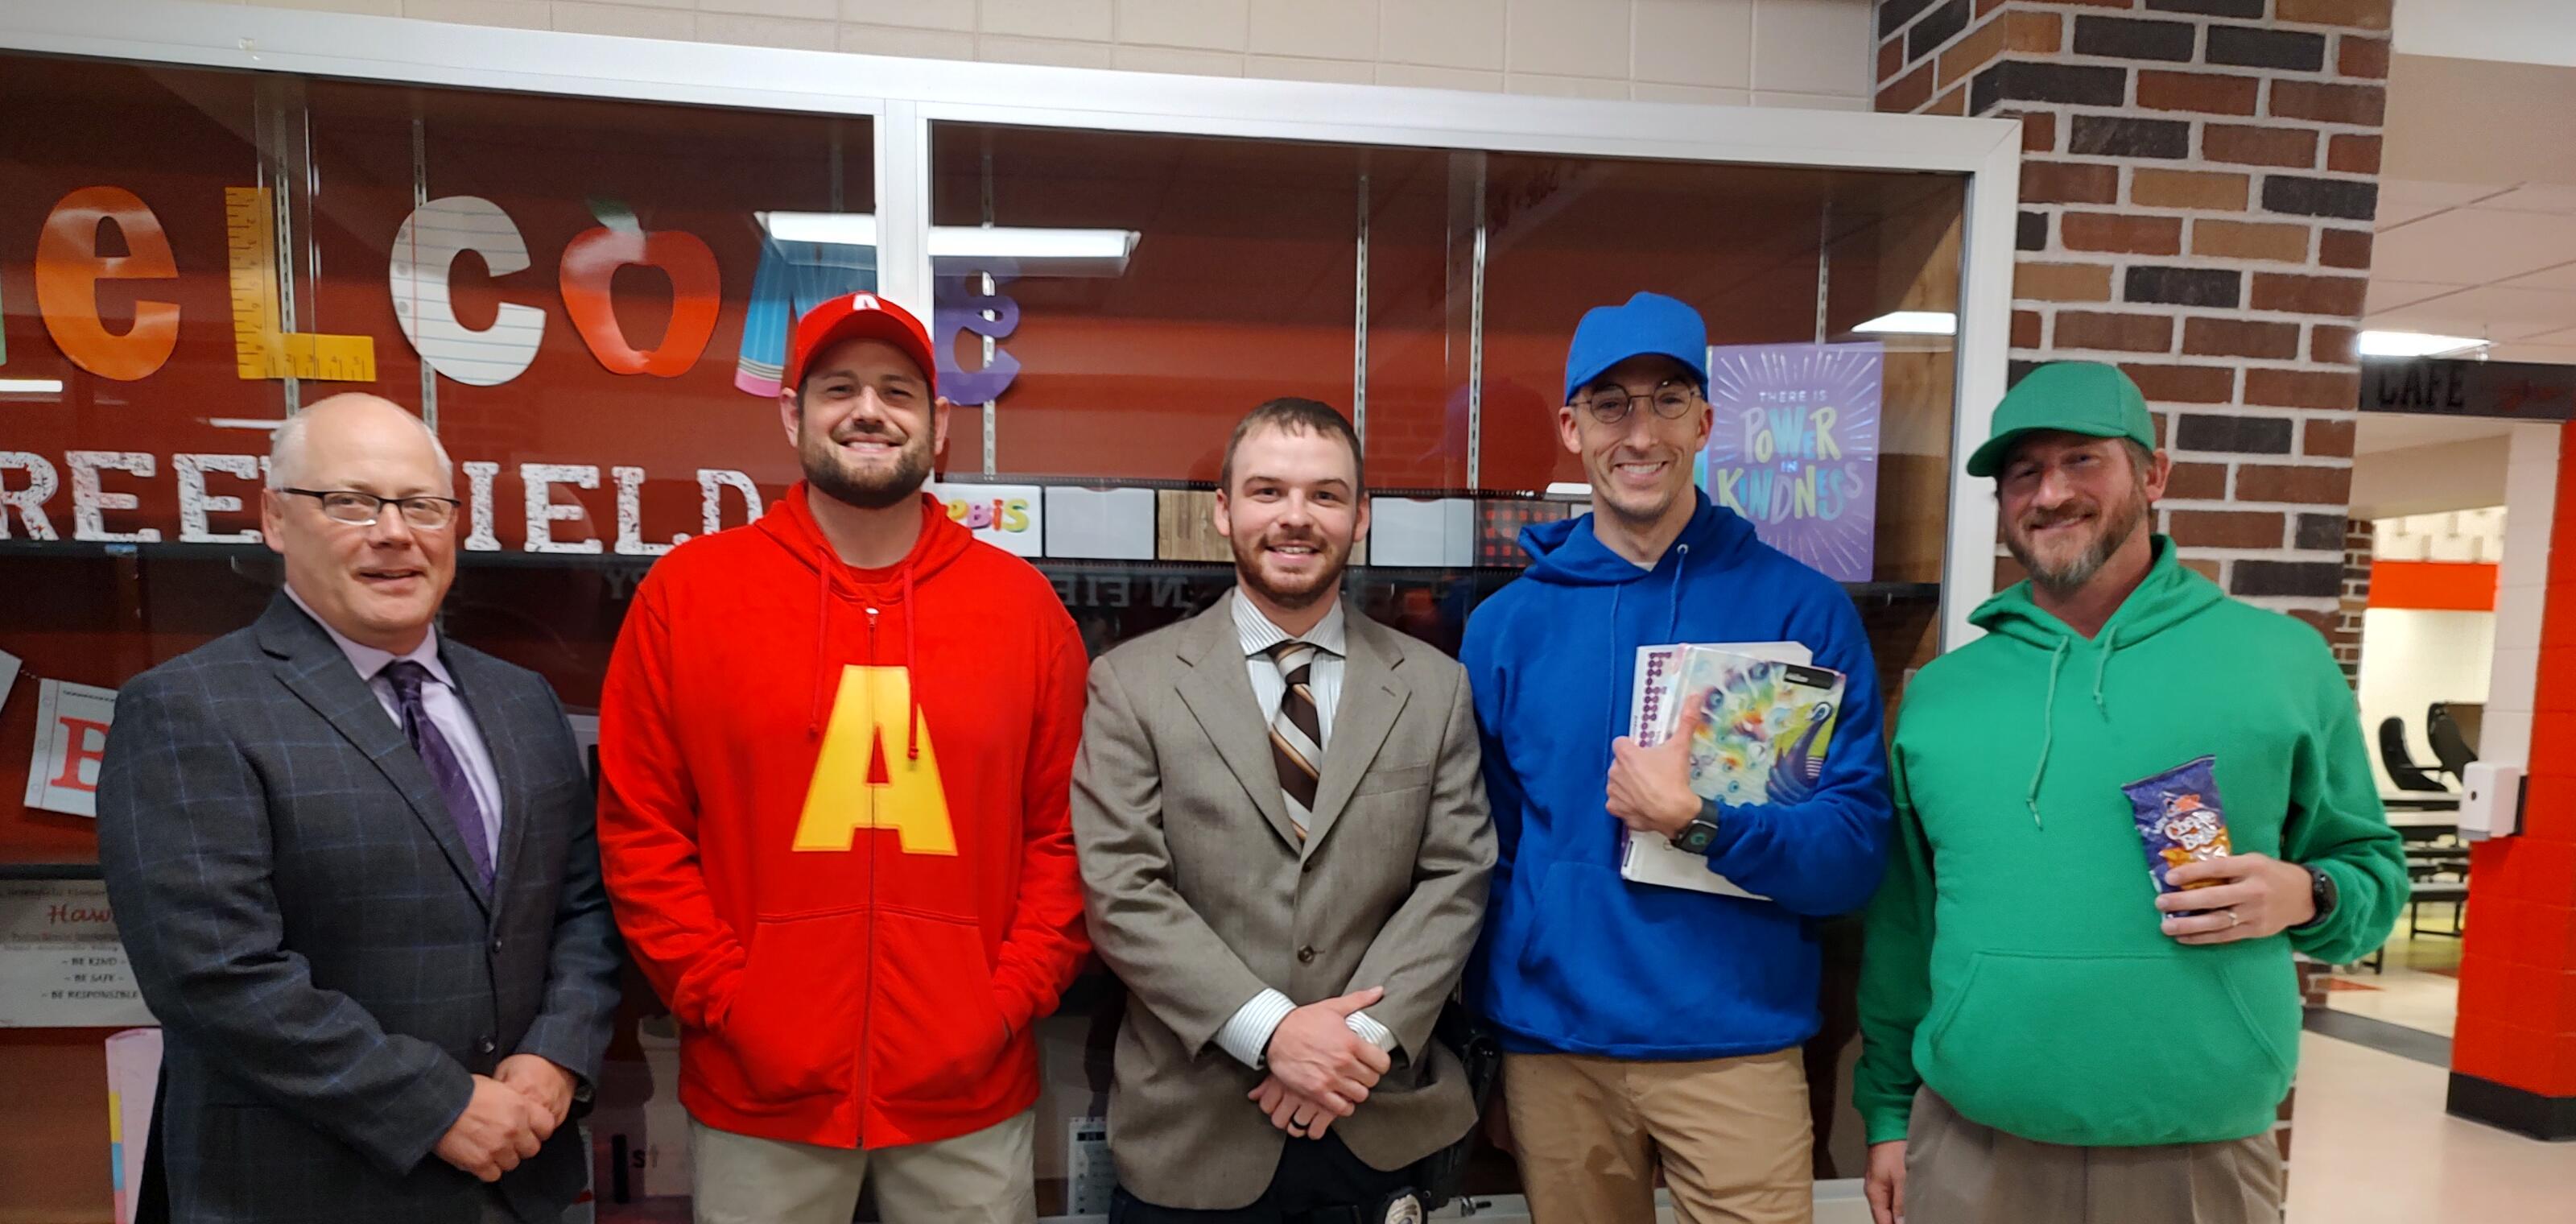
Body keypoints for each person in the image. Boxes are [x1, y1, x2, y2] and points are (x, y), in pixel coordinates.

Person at [1853, 362, 2409, 1224]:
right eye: (2022, 473)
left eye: (2082, 460)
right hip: (1973, 1138)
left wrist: (2308, 891)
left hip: (2198, 1142)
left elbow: (2369, 870)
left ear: (2151, 474)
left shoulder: (2279, 663)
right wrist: (1887, 1112)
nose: (2048, 493)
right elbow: (1904, 923)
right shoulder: (1940, 696)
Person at [596, 292, 1090, 1224]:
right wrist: (731, 1005)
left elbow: (1065, 835)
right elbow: (641, 833)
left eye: (898, 390)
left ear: (939, 425)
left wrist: (1000, 1005)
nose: (869, 409)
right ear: (791, 411)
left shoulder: (1022, 610)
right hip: (759, 1096)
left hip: (967, 1099)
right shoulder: (688, 595)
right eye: (839, 388)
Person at [95, 394, 622, 1224]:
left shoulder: (522, 700)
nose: (393, 532)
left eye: (421, 504)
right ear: (274, 518)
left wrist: (556, 1053)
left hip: (519, 1178)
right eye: (349, 501)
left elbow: (585, 909)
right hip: (300, 1186)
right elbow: (214, 975)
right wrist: (437, 1103)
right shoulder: (187, 707)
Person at [1463, 292, 1893, 1224]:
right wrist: (1488, 1046)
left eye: (1666, 399)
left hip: (1733, 1042)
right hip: (1556, 1044)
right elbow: (1480, 856)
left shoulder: (1798, 613)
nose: (1640, 431)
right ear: (1573, 429)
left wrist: (1702, 821)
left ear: (1705, 421)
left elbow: (1851, 851)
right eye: (1610, 404)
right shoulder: (1504, 629)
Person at [1071, 399, 1496, 1223]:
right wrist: (1272, 1032)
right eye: (1267, 491)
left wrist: (1350, 1050)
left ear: (1359, 516)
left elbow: (1456, 874)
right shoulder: (1132, 684)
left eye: (1325, 495)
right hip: (1193, 1134)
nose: (1295, 517)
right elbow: (1121, 887)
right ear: (1224, 510)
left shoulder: (1432, 686)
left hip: (1373, 1120)